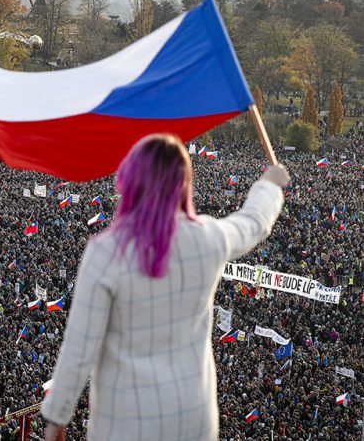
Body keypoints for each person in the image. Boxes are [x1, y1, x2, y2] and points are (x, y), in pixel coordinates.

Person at [42, 134, 291, 440]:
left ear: (131, 181)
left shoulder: (107, 252)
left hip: (125, 419)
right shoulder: (208, 238)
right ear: (183, 183)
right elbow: (254, 222)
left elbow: (80, 346)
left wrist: (57, 416)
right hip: (192, 415)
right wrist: (269, 184)